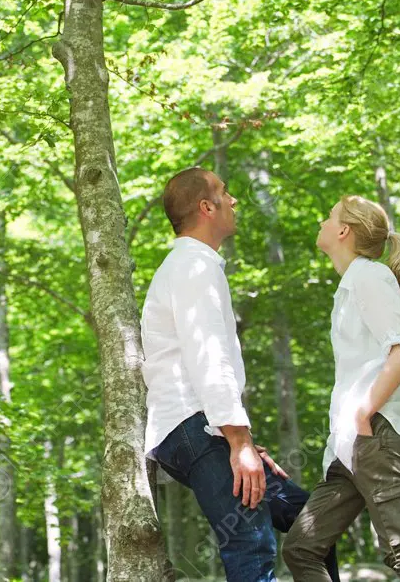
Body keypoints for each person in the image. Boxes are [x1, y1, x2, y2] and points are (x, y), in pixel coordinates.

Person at [141, 167, 338, 582]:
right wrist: (238, 441)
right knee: (250, 540)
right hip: (191, 427)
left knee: (312, 520)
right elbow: (207, 356)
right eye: (226, 193)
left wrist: (237, 438)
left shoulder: (195, 266)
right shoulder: (193, 268)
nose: (235, 200)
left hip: (204, 428)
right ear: (206, 207)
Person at [283, 195, 400, 581]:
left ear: (344, 230)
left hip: (376, 433)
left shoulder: (370, 277)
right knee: (301, 548)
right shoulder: (353, 284)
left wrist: (364, 412)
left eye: (328, 216)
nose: (322, 222)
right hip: (350, 445)